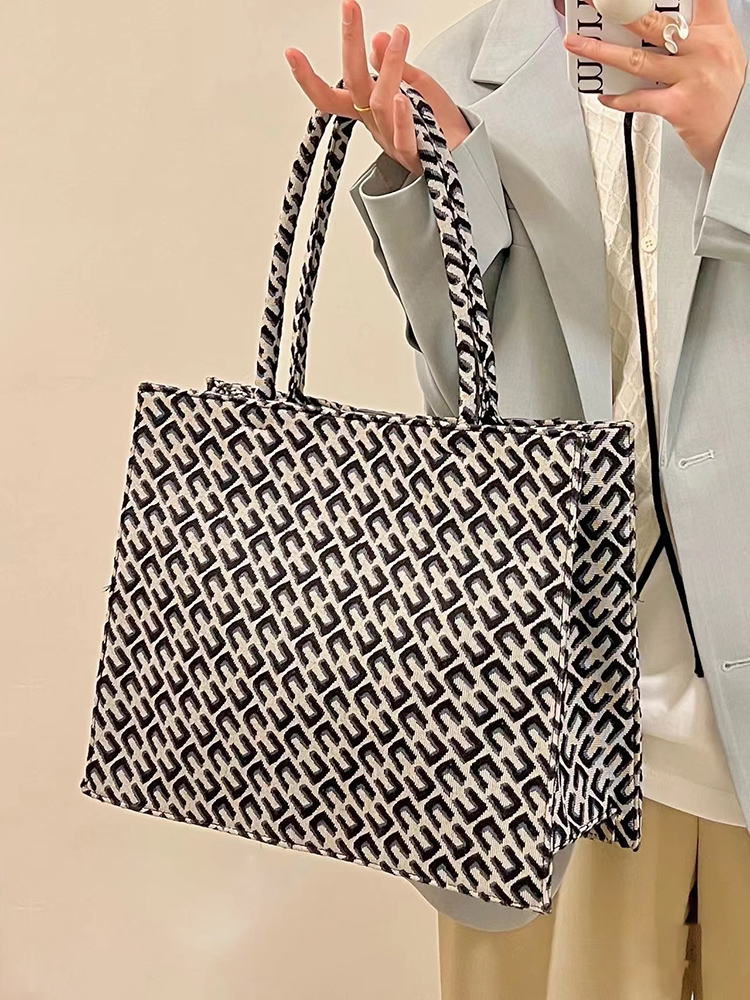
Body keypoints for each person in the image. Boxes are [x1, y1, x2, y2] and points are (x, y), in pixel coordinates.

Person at [284, 0, 750, 996]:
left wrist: (738, 149)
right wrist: (435, 198)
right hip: (554, 742)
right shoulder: (463, 70)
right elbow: (471, 419)